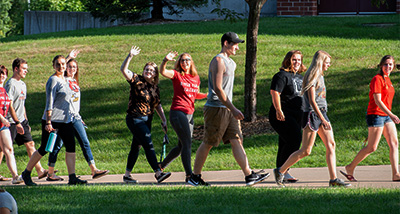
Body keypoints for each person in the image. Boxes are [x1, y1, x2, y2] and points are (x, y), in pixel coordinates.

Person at [188, 32, 270, 187]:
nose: (237, 48)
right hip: (216, 108)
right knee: (209, 141)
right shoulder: (218, 61)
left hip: (228, 108)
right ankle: (195, 176)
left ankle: (249, 175)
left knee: (236, 139)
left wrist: (231, 108)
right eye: (235, 44)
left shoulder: (231, 63)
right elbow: (218, 89)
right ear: (226, 43)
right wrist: (233, 108)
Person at [273, 50, 350, 187]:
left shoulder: (320, 75)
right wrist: (322, 118)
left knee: (331, 145)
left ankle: (333, 179)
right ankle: (281, 170)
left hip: (322, 113)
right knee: (306, 151)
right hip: (312, 115)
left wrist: (323, 116)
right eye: (327, 62)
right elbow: (312, 100)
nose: (329, 65)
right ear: (320, 62)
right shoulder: (311, 76)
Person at [21, 54, 87, 186]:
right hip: (53, 120)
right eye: (58, 64)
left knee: (71, 146)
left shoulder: (64, 79)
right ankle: (26, 173)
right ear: (53, 66)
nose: (61, 67)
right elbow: (49, 103)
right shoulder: (53, 80)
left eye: (63, 64)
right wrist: (49, 122)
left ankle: (72, 177)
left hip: (65, 120)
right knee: (45, 148)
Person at [46, 58, 109, 181]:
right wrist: (69, 56)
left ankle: (94, 169)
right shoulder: (62, 80)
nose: (72, 69)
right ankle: (50, 173)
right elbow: (60, 64)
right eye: (69, 67)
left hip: (75, 117)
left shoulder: (74, 81)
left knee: (84, 142)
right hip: (63, 118)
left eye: (74, 67)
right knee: (57, 145)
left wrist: (79, 116)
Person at [341, 55, 400, 182]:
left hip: (386, 116)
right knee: (372, 147)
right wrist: (391, 114)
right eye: (385, 64)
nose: (388, 67)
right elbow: (377, 101)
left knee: (394, 143)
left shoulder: (388, 81)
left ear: (393, 66)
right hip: (376, 115)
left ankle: (396, 174)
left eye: (390, 64)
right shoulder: (377, 79)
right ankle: (350, 167)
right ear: (380, 66)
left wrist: (389, 115)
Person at [120, 45, 171, 184]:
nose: (148, 71)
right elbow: (123, 70)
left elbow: (158, 105)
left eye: (151, 70)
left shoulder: (155, 87)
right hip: (135, 118)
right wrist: (130, 55)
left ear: (155, 74)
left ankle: (127, 175)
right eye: (146, 69)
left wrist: (164, 120)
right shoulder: (137, 80)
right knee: (148, 144)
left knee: (136, 147)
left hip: (147, 119)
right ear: (143, 71)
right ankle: (158, 173)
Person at [158, 51, 207, 182]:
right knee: (187, 143)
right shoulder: (177, 75)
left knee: (181, 146)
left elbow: (195, 94)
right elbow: (163, 72)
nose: (185, 62)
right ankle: (189, 175)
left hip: (190, 114)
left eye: (188, 60)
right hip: (178, 112)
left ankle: (161, 166)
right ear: (179, 63)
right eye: (182, 60)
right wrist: (165, 60)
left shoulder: (196, 78)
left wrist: (208, 95)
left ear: (191, 62)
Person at [4, 58, 49, 180]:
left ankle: (39, 170)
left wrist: (25, 121)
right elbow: (9, 105)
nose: (26, 71)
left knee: (30, 143)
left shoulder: (23, 84)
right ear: (16, 69)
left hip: (21, 120)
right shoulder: (10, 84)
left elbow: (22, 104)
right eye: (24, 69)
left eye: (26, 69)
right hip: (11, 122)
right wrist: (17, 122)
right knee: (4, 149)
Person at [269, 50, 306, 183]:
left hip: (297, 115)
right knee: (295, 140)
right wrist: (278, 110)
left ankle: (282, 171)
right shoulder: (281, 76)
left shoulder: (301, 78)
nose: (297, 62)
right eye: (294, 59)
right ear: (287, 60)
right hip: (282, 114)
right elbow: (275, 93)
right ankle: (282, 170)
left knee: (285, 143)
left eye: (299, 60)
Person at [0, 65, 23, 185]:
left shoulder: (3, 90)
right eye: (0, 73)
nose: (2, 76)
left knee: (8, 149)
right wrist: (3, 119)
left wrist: (18, 122)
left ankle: (15, 176)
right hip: (2, 122)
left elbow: (9, 106)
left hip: (2, 126)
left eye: (4, 73)